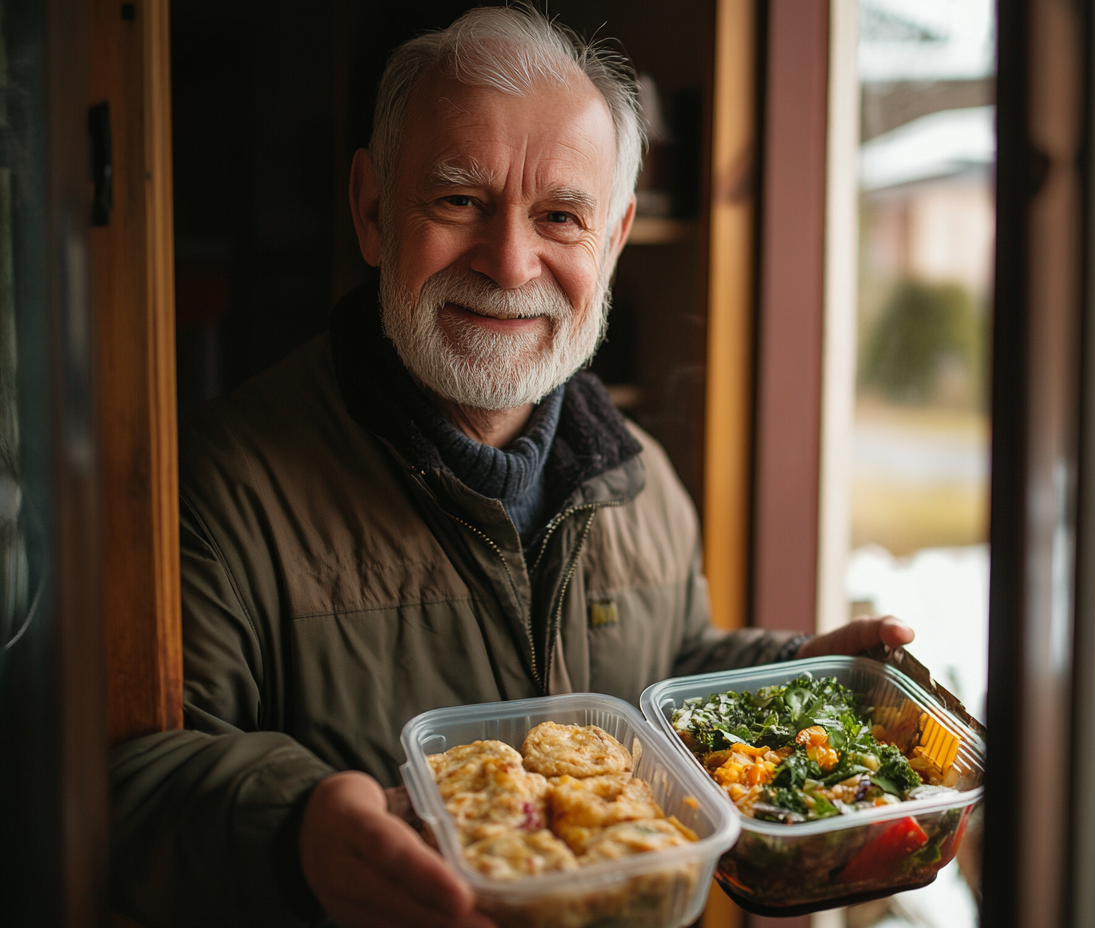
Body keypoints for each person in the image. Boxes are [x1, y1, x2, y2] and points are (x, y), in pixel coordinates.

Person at [109, 7, 914, 927]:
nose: (509, 260)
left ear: (610, 242)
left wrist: (786, 678)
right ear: (373, 211)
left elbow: (659, 677)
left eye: (561, 216)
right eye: (458, 200)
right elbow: (126, 788)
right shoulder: (215, 487)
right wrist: (295, 829)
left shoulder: (645, 481)